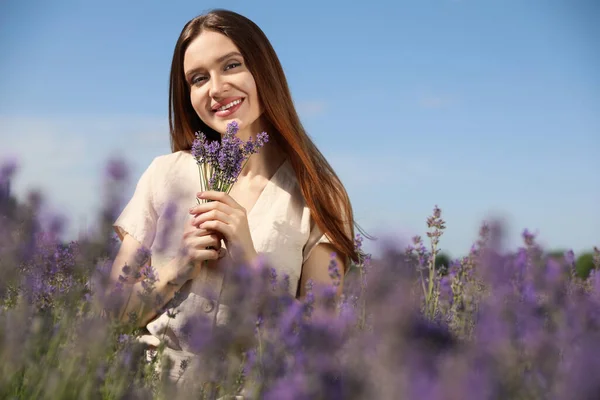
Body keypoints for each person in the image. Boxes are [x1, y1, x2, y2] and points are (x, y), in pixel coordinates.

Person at [106, 8, 364, 383]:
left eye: (231, 65)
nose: (215, 88)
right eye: (198, 78)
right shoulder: (164, 175)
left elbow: (317, 346)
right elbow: (111, 317)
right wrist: (174, 268)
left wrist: (249, 266)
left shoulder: (319, 196)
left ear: (263, 70)